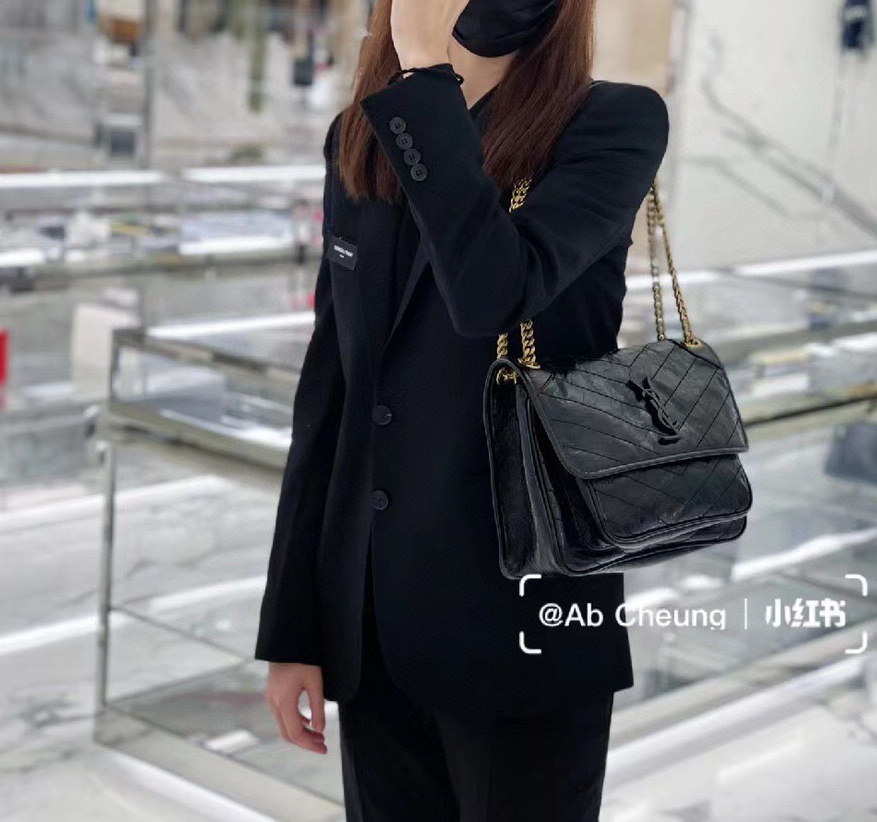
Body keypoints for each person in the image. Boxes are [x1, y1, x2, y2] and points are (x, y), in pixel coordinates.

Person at [254, 0, 669, 818]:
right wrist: (294, 630)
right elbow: (333, 388)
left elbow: (492, 292)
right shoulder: (361, 136)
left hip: (526, 622)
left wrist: (423, 76)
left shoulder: (609, 122)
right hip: (372, 624)